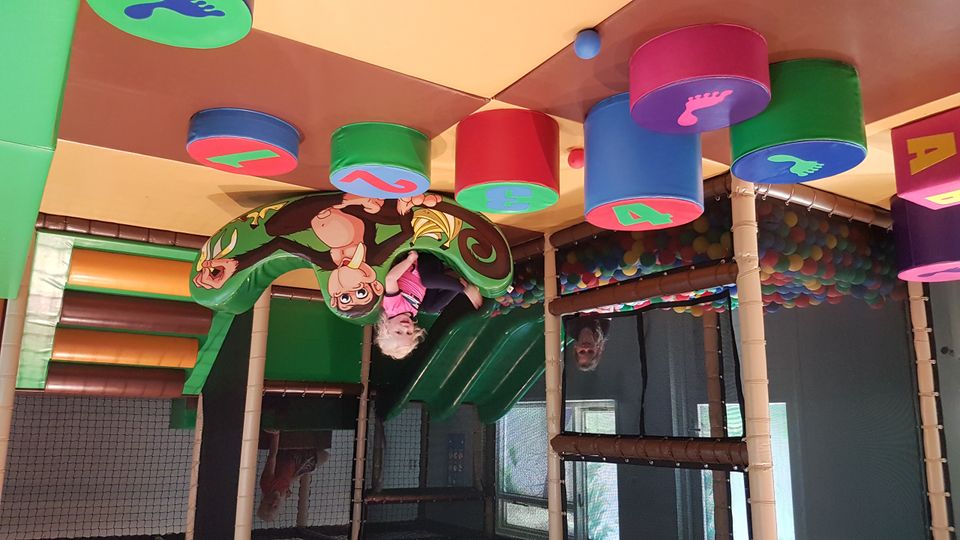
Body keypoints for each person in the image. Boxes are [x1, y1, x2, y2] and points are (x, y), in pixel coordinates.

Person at [375, 250, 483, 360]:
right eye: (409, 333)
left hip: (422, 262)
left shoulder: (393, 307)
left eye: (398, 332)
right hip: (432, 271)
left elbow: (390, 279)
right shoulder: (411, 313)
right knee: (430, 308)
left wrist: (409, 260)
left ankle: (464, 288)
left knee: (427, 281)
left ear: (386, 327)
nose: (405, 328)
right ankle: (461, 284)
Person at [257, 430, 328, 523]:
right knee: (325, 456)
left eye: (269, 504)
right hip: (297, 464)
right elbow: (289, 480)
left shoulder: (266, 484)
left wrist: (275, 435)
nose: (274, 503)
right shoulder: (282, 495)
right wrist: (304, 471)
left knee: (321, 450)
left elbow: (272, 457)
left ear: (263, 501)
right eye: (275, 507)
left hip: (288, 455)